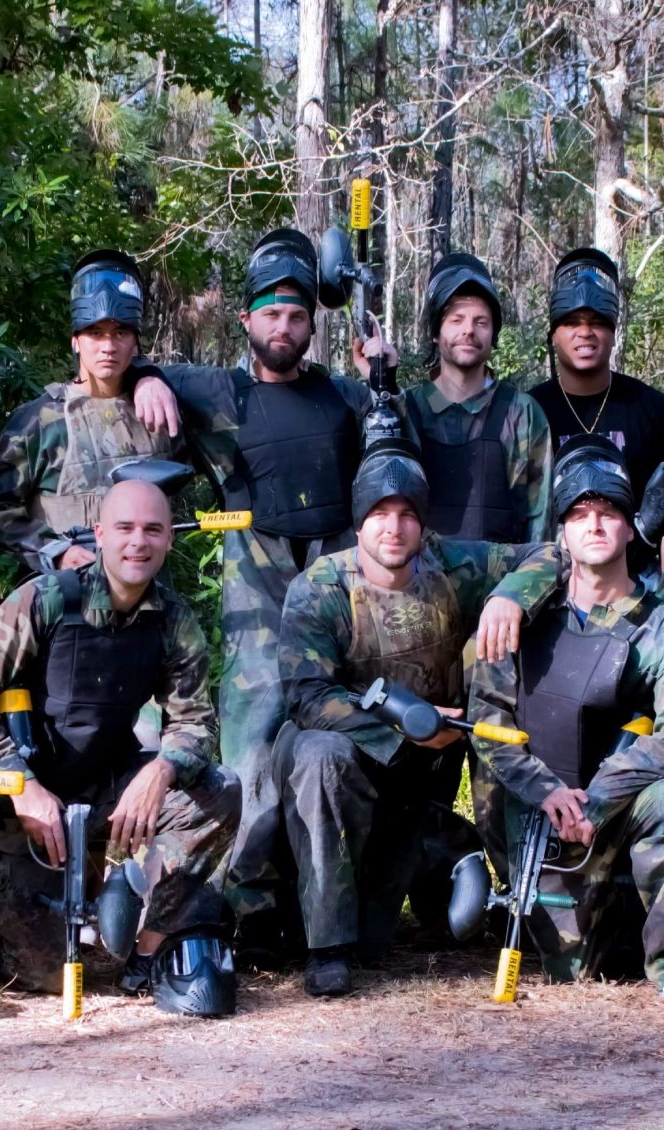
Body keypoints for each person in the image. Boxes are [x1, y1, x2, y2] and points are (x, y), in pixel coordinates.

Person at [121, 228, 380, 955]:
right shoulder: (221, 393)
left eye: (297, 316)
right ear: (247, 321)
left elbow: (396, 447)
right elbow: (143, 366)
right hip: (256, 612)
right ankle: (244, 908)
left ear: (311, 324)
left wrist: (383, 373)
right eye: (270, 315)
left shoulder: (342, 397)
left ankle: (326, 907)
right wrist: (144, 376)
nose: (284, 328)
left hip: (338, 608)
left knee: (334, 753)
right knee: (248, 760)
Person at [0, 479, 242, 1016]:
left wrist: (161, 772)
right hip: (24, 801)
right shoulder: (47, 598)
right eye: (125, 528)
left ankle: (148, 951)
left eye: (153, 529)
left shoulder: (173, 620)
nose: (139, 542)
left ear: (169, 540)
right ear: (101, 534)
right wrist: (21, 785)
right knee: (42, 974)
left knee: (219, 790)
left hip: (101, 784)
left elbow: (194, 720)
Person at [466, 442, 664, 1006]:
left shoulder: (661, 627)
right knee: (574, 975)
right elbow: (489, 724)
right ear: (562, 534)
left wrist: (600, 797)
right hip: (540, 815)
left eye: (608, 514)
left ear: (631, 528)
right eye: (580, 516)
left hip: (615, 811)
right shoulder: (518, 617)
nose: (595, 526)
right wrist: (547, 791)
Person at [276, 454, 537, 997]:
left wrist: (509, 595)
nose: (394, 528)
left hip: (419, 779)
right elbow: (306, 696)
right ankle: (326, 948)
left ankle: (519, 905)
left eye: (407, 514)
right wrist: (402, 729)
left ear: (424, 522)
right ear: (358, 521)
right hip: (339, 767)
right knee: (320, 753)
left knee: (388, 941)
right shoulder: (319, 588)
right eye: (379, 513)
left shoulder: (453, 566)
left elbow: (551, 554)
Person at [0, 251, 181, 576]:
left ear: (135, 343)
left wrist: (151, 376)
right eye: (95, 333)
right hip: (65, 601)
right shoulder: (42, 419)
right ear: (76, 341)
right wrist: (55, 551)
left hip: (148, 603)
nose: (108, 346)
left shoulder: (159, 410)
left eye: (120, 334)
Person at [398, 253, 553, 543]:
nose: (468, 330)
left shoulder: (521, 415)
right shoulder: (404, 411)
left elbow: (540, 530)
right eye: (456, 320)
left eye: (481, 322)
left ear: (493, 333)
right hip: (417, 584)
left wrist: (520, 588)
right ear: (435, 331)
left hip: (505, 585)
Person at [525, 248, 664, 501]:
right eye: (572, 322)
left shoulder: (653, 410)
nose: (585, 332)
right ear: (552, 337)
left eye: (597, 322)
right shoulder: (528, 414)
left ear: (614, 334)